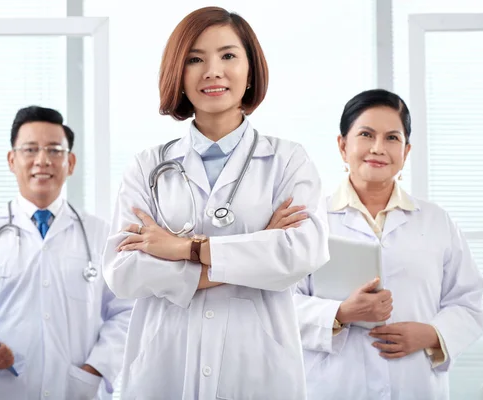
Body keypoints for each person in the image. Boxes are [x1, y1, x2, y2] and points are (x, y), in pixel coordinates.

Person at [102, 6, 329, 400]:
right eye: (195, 59)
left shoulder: (288, 161)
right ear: (179, 72)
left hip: (257, 367)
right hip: (164, 364)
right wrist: (256, 248)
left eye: (228, 55)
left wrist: (181, 249)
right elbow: (124, 271)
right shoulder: (148, 166)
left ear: (250, 70)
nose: (212, 71)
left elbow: (300, 254)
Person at [0, 106, 132, 400]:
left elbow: (127, 312)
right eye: (30, 149)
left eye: (55, 150)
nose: (42, 160)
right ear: (12, 160)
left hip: (78, 389)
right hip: (6, 389)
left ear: (70, 162)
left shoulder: (100, 235)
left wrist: (96, 368)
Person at [295, 89, 483, 399]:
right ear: (343, 146)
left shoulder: (437, 222)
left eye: (392, 138)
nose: (378, 148)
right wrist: (339, 313)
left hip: (415, 382)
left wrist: (432, 334)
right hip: (334, 386)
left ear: (406, 151)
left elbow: (467, 302)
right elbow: (280, 304)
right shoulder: (310, 220)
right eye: (366, 135)